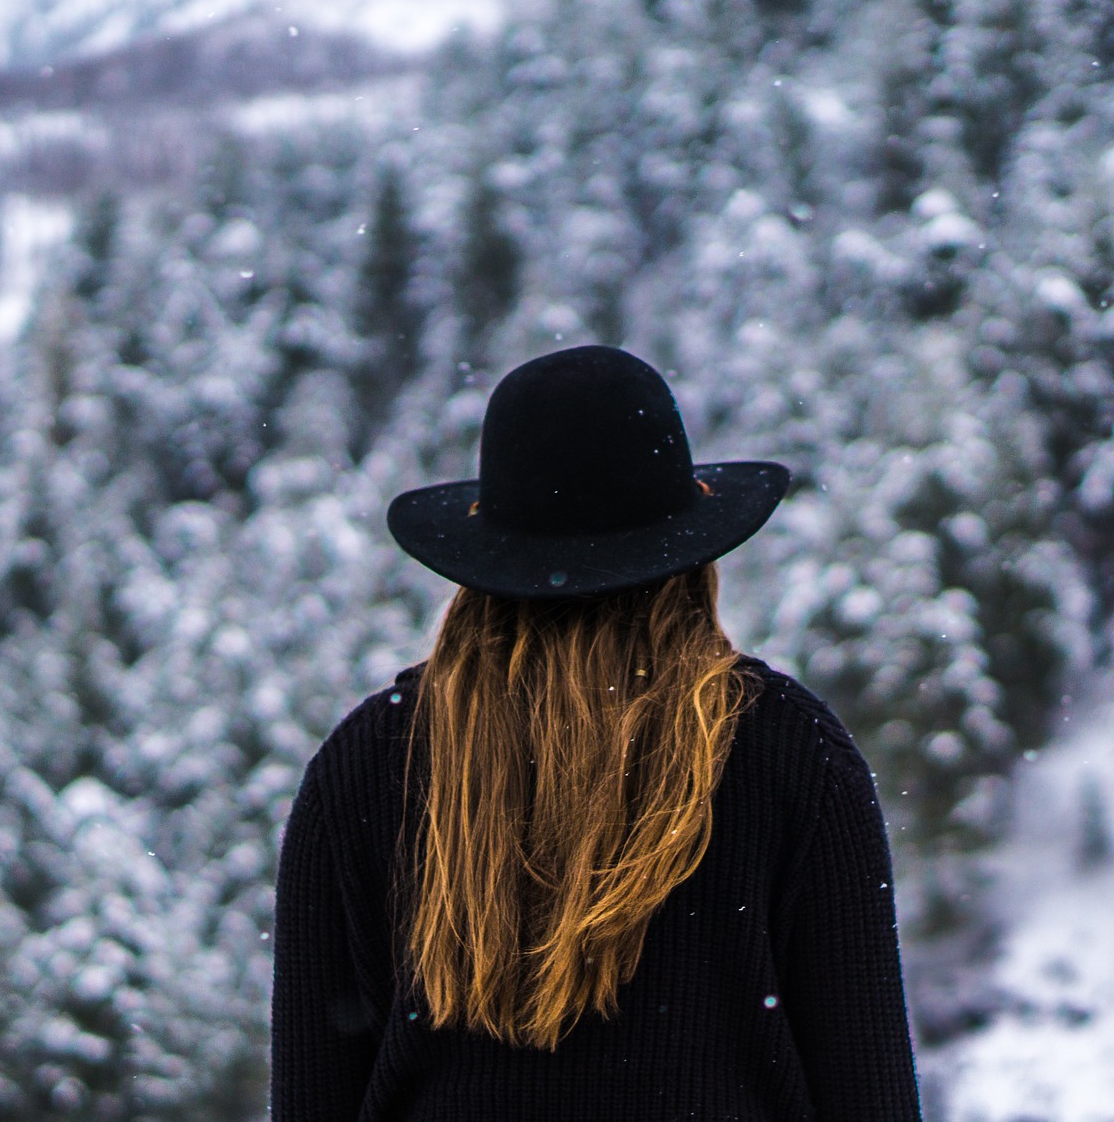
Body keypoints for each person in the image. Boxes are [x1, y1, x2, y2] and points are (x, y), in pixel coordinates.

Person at [270, 345, 921, 1121]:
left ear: (488, 562)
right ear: (690, 557)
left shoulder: (367, 766)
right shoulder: (790, 754)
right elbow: (870, 1093)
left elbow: (313, 1095)